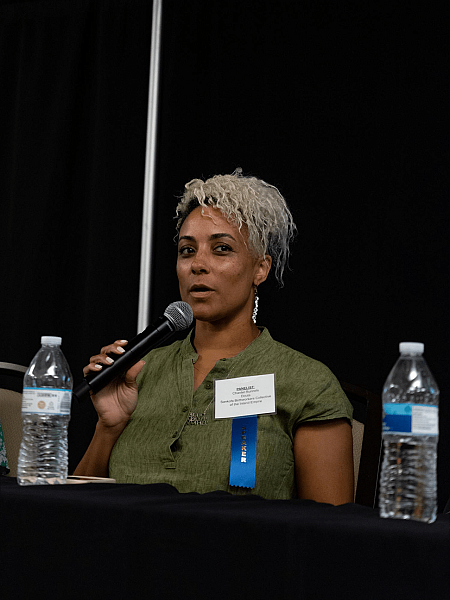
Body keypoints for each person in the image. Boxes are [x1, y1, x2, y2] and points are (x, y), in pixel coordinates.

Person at [74, 169, 354, 504]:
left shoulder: (307, 382)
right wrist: (109, 427)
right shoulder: (137, 372)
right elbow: (76, 510)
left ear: (260, 269)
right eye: (187, 250)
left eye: (221, 248)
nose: (198, 265)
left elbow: (329, 534)